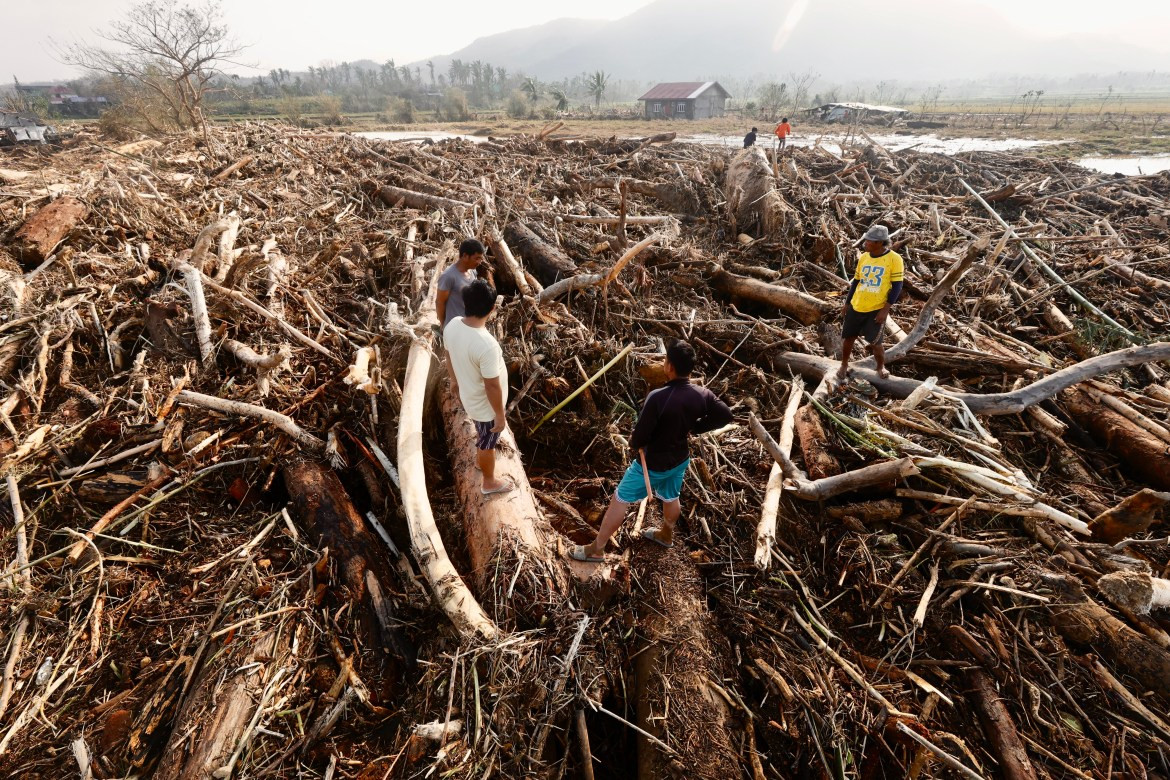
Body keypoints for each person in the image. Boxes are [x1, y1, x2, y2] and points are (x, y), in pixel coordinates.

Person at [570, 341, 732, 563]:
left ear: (669, 367)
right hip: (679, 459)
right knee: (671, 495)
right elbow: (725, 415)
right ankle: (666, 534)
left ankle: (596, 550)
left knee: (620, 498)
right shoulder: (702, 394)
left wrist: (634, 442)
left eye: (665, 361)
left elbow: (639, 437)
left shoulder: (658, 397)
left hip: (652, 463)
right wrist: (696, 428)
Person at [444, 279, 512, 496]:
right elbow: (491, 385)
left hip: (469, 396)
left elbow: (447, 353)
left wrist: (454, 380)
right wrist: (500, 416)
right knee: (487, 443)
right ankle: (489, 482)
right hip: (485, 408)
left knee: (483, 435)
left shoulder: (453, 324)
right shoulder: (486, 344)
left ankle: (480, 461)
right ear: (492, 309)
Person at [837, 224, 904, 382]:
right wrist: (847, 303)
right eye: (866, 240)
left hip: (876, 308)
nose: (865, 243)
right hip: (857, 304)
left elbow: (897, 287)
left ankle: (880, 366)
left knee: (876, 342)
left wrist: (885, 310)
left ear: (880, 243)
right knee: (849, 337)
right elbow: (856, 282)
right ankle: (844, 364)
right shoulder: (864, 258)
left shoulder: (894, 259)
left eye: (870, 241)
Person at [437, 238, 486, 329]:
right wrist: (444, 325)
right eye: (477, 258)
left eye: (480, 258)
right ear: (465, 256)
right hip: (454, 328)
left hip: (469, 326)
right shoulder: (448, 276)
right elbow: (440, 302)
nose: (479, 262)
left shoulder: (472, 272)